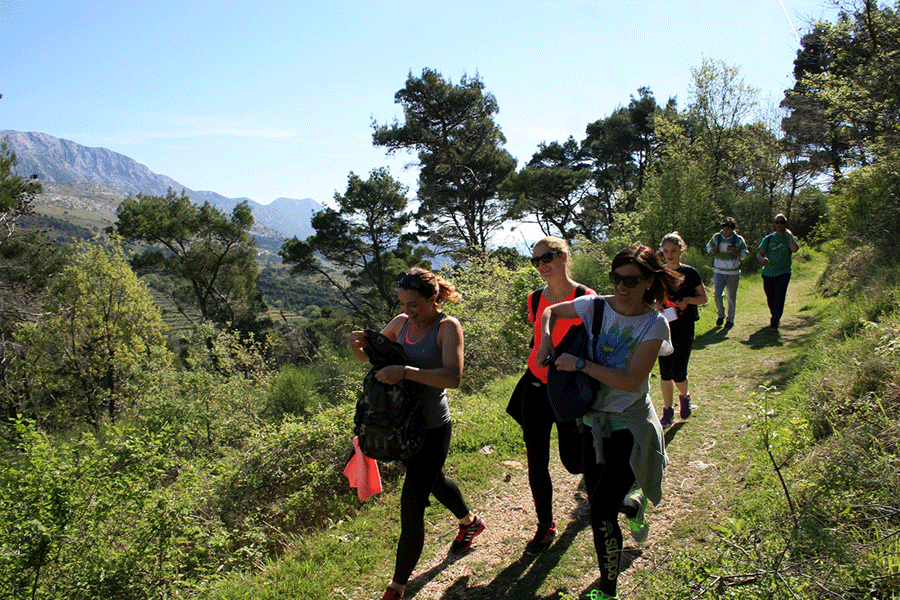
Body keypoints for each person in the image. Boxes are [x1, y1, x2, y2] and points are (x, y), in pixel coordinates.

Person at [536, 244, 679, 600]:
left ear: (649, 281)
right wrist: (545, 341)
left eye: (631, 280)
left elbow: (631, 380)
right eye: (616, 278)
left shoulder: (654, 323)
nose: (621, 286)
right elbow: (549, 311)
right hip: (593, 426)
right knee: (605, 503)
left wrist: (580, 364)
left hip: (630, 429)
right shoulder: (595, 306)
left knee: (599, 508)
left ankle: (608, 590)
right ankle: (631, 505)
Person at [349, 268, 484, 600]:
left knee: (411, 504)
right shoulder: (401, 324)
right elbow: (375, 360)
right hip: (403, 428)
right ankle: (470, 522)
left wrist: (404, 371)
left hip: (433, 428)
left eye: (413, 304)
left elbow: (452, 377)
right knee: (433, 481)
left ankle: (397, 587)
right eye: (403, 304)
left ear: (432, 298)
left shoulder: (447, 327)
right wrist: (358, 348)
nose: (407, 311)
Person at [511, 236, 597, 554]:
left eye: (547, 258)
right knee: (536, 460)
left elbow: (596, 345)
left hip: (568, 390)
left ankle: (601, 490)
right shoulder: (535, 299)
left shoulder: (585, 297)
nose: (542, 266)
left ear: (564, 257)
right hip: (535, 386)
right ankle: (545, 525)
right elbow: (537, 340)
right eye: (536, 261)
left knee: (574, 462)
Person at [658, 232, 708, 426]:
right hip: (663, 326)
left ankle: (684, 396)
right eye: (666, 251)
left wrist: (687, 300)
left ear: (681, 250)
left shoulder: (691, 273)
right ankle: (667, 410)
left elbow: (703, 298)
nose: (670, 254)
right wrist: (658, 305)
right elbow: (653, 299)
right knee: (664, 371)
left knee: (678, 371)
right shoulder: (659, 274)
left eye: (673, 250)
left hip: (685, 326)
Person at [757, 214, 800, 332]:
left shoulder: (790, 238)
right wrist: (762, 260)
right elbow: (760, 253)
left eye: (782, 222)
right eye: (777, 222)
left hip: (784, 272)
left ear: (786, 223)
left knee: (779, 297)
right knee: (771, 298)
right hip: (769, 273)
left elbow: (795, 249)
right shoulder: (769, 238)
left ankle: (774, 322)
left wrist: (790, 235)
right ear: (775, 224)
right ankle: (775, 315)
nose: (779, 224)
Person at [705, 217, 748, 328]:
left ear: (732, 229)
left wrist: (736, 253)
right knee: (717, 294)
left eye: (728, 229)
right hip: (719, 271)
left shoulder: (738, 239)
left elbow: (745, 253)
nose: (726, 231)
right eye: (724, 229)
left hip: (733, 272)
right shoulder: (716, 237)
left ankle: (730, 319)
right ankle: (721, 314)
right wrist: (712, 250)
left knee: (731, 297)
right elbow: (708, 247)